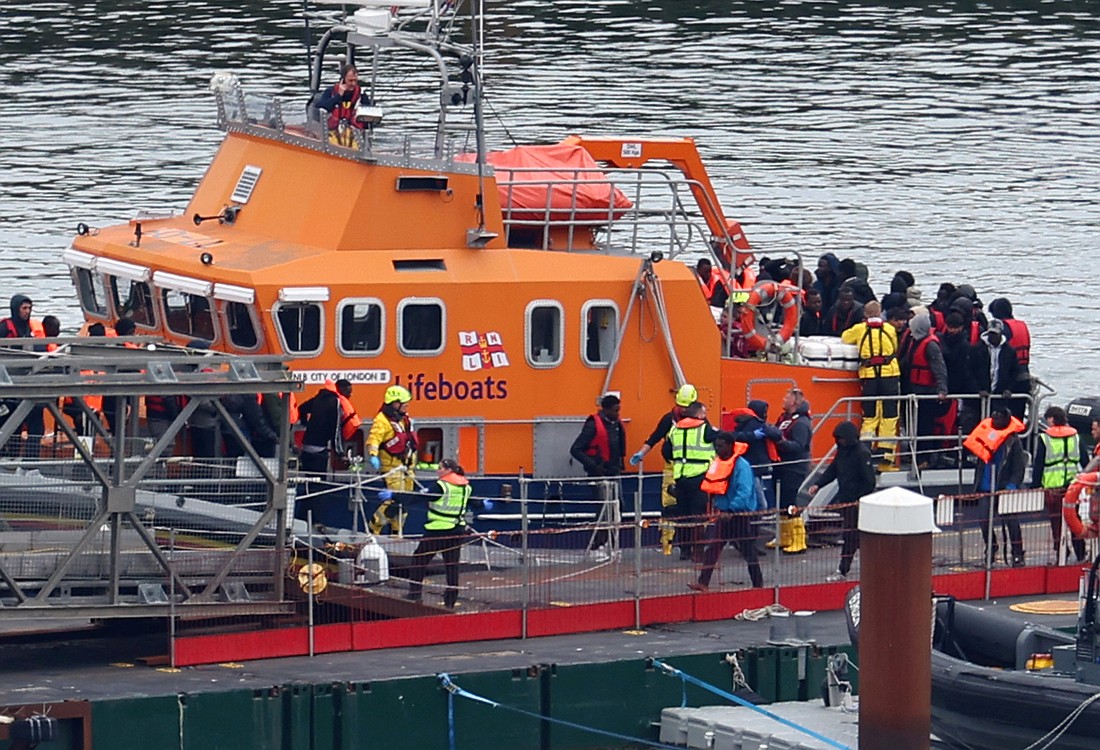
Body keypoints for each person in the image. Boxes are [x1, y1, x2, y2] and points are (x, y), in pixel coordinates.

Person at [689, 432, 762, 591]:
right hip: (724, 513)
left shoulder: (741, 466)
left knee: (748, 550)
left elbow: (744, 491)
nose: (717, 448)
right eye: (716, 445)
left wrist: (731, 509)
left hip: (738, 515)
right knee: (714, 548)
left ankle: (758, 585)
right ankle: (703, 583)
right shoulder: (720, 463)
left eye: (720, 446)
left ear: (730, 446)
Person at [629, 383, 697, 555]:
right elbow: (655, 437)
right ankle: (667, 545)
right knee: (668, 506)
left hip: (692, 470)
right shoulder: (669, 419)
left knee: (691, 508)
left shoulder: (701, 421)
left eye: (686, 406)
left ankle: (692, 546)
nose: (683, 409)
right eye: (681, 406)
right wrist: (641, 453)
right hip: (671, 468)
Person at [808, 421, 876, 582]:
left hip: (856, 503)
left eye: (841, 439)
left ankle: (844, 569)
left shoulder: (862, 453)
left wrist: (859, 498)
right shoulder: (842, 452)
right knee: (855, 537)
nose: (840, 442)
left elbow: (869, 481)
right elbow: (832, 470)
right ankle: (858, 568)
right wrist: (818, 484)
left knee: (852, 537)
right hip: (846, 501)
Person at [406, 459, 472, 608]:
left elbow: (418, 498)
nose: (437, 470)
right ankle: (450, 601)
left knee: (419, 560)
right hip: (457, 531)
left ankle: (414, 594)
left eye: (440, 468)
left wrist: (394, 497)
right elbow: (473, 503)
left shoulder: (441, 485)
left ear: (448, 470)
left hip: (437, 530)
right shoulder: (465, 486)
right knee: (452, 566)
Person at [964, 407, 1026, 566]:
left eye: (998, 418)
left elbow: (1019, 467)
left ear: (1006, 420)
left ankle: (1017, 553)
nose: (995, 420)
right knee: (983, 520)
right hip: (985, 486)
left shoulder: (1013, 441)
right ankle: (991, 548)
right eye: (993, 417)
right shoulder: (985, 434)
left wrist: (1012, 486)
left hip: (1004, 487)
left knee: (1011, 522)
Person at [842, 300, 900, 468]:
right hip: (890, 374)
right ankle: (886, 454)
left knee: (870, 414)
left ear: (865, 315)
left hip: (869, 376)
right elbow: (894, 346)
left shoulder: (859, 329)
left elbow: (845, 338)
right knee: (889, 415)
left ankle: (865, 449)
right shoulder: (889, 328)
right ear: (880, 312)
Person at [569, 394, 627, 558]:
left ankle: (609, 544)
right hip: (599, 474)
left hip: (614, 472)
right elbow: (575, 449)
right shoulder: (593, 425)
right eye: (615, 410)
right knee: (604, 510)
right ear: (606, 409)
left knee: (618, 507)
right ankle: (598, 545)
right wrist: (594, 465)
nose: (618, 413)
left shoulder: (616, 424)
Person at [1032, 406, 1087, 562]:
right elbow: (1085, 461)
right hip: (1072, 487)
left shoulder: (1045, 439)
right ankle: (1081, 552)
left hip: (1053, 488)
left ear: (1051, 419)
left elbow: (1039, 465)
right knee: (1074, 520)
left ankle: (1060, 553)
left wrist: (1035, 485)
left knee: (1056, 522)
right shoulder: (1076, 437)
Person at [666, 400, 717, 561]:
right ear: (699, 414)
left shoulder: (675, 429)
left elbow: (666, 451)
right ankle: (698, 551)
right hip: (699, 476)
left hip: (680, 477)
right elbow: (721, 442)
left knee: (683, 514)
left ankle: (684, 550)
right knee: (698, 515)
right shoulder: (705, 428)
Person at [900, 311, 949, 465]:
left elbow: (939, 368)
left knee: (924, 426)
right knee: (911, 424)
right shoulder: (913, 341)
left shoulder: (931, 345)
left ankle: (924, 458)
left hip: (926, 392)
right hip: (912, 389)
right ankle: (914, 453)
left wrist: (942, 389)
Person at [366, 384, 416, 535]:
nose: (407, 406)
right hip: (392, 468)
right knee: (392, 502)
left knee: (405, 503)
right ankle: (373, 531)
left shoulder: (402, 419)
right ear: (395, 403)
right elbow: (373, 439)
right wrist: (373, 455)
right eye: (404, 403)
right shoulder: (382, 421)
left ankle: (396, 534)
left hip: (407, 468)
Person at [732, 399, 782, 512]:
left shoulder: (741, 424)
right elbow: (777, 434)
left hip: (748, 467)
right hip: (756, 468)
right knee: (761, 503)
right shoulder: (757, 425)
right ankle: (758, 522)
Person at [987, 297, 1031, 422]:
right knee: (1018, 417)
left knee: (1002, 417)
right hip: (1025, 376)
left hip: (1010, 379)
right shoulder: (1022, 325)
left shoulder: (1003, 329)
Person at [969, 319, 1020, 418]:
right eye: (990, 333)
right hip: (980, 396)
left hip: (1000, 396)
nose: (992, 336)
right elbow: (969, 371)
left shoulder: (1010, 351)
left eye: (995, 334)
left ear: (1001, 333)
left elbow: (1014, 372)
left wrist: (1008, 389)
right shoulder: (976, 349)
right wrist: (977, 390)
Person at [317, 64, 366, 147]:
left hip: (354, 135)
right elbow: (322, 107)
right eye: (350, 81)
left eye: (355, 81)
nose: (353, 84)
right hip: (332, 132)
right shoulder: (330, 92)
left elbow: (368, 116)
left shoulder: (361, 95)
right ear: (343, 80)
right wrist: (338, 96)